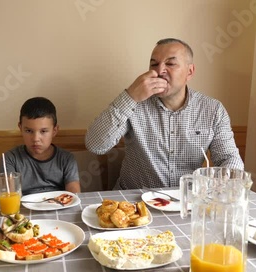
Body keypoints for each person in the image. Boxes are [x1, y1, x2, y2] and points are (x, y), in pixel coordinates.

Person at [85, 38, 244, 190]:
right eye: (154, 64)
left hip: (185, 202)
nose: (160, 71)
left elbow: (229, 158)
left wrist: (221, 184)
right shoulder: (134, 102)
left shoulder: (213, 110)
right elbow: (95, 145)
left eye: (170, 63)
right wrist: (130, 95)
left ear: (190, 72)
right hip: (134, 203)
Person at [0, 97, 81, 195]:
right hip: (24, 207)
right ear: (20, 128)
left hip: (58, 206)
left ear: (54, 131)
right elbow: (10, 195)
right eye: (29, 131)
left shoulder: (66, 158)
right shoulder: (10, 158)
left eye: (43, 131)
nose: (35, 139)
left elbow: (74, 193)